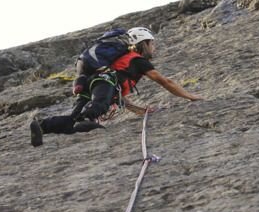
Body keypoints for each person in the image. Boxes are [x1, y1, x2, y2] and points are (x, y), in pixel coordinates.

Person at [29, 27, 201, 147]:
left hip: (91, 83)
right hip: (103, 81)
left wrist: (140, 111)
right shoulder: (137, 60)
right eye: (152, 44)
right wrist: (190, 97)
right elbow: (165, 82)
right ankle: (87, 119)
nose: (154, 48)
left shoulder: (121, 59)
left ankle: (43, 126)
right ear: (144, 43)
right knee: (100, 103)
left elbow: (119, 97)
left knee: (72, 119)